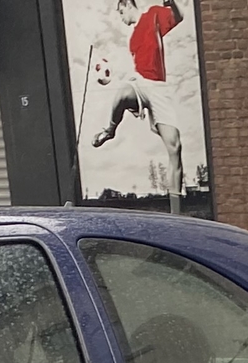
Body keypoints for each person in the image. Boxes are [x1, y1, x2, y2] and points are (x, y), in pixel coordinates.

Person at [89, 0, 186, 212]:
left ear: (126, 5)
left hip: (158, 88)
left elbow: (178, 17)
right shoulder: (132, 39)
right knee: (122, 93)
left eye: (120, 12)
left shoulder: (153, 15)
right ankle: (110, 130)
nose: (121, 18)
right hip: (140, 84)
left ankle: (176, 213)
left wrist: (173, 4)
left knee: (175, 147)